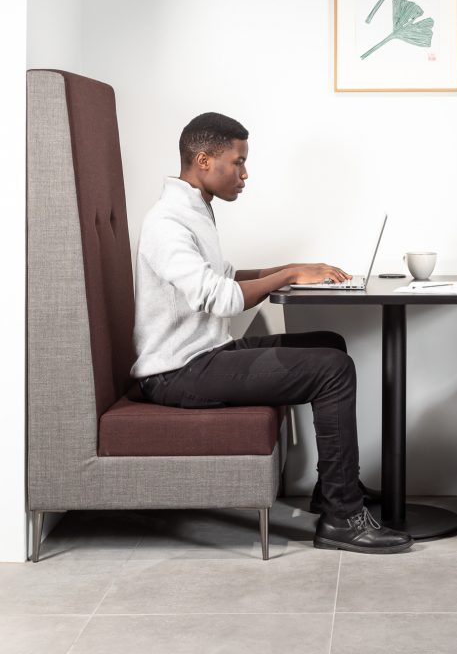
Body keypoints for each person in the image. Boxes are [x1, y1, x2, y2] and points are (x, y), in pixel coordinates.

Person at [131, 111, 412, 554]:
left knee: (328, 345)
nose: (244, 174)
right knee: (333, 369)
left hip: (204, 354)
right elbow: (221, 297)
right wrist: (287, 275)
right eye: (237, 162)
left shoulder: (194, 208)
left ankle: (331, 489)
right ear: (204, 160)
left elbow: (222, 275)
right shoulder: (167, 222)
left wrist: (293, 270)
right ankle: (343, 518)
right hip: (177, 372)